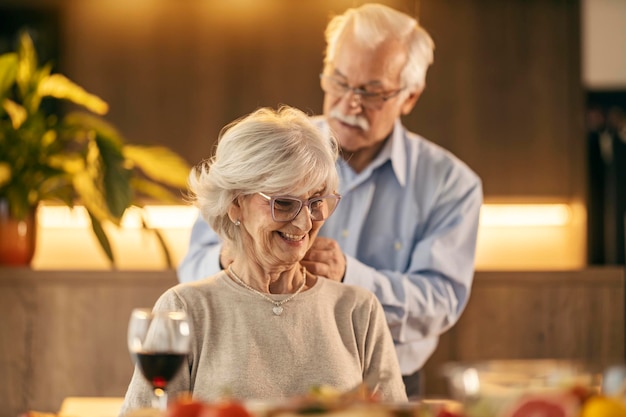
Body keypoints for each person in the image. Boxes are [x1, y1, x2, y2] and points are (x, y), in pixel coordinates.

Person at [177, 3, 483, 398]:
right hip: (245, 371)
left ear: (409, 97)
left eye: (371, 92)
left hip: (374, 380)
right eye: (339, 82)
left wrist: (348, 279)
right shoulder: (269, 150)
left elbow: (440, 302)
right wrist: (239, 257)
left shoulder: (451, 184)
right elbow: (194, 264)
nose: (349, 103)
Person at [120, 106, 407, 415]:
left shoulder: (357, 310)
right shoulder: (185, 309)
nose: (304, 223)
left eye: (316, 203)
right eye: (284, 203)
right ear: (235, 204)